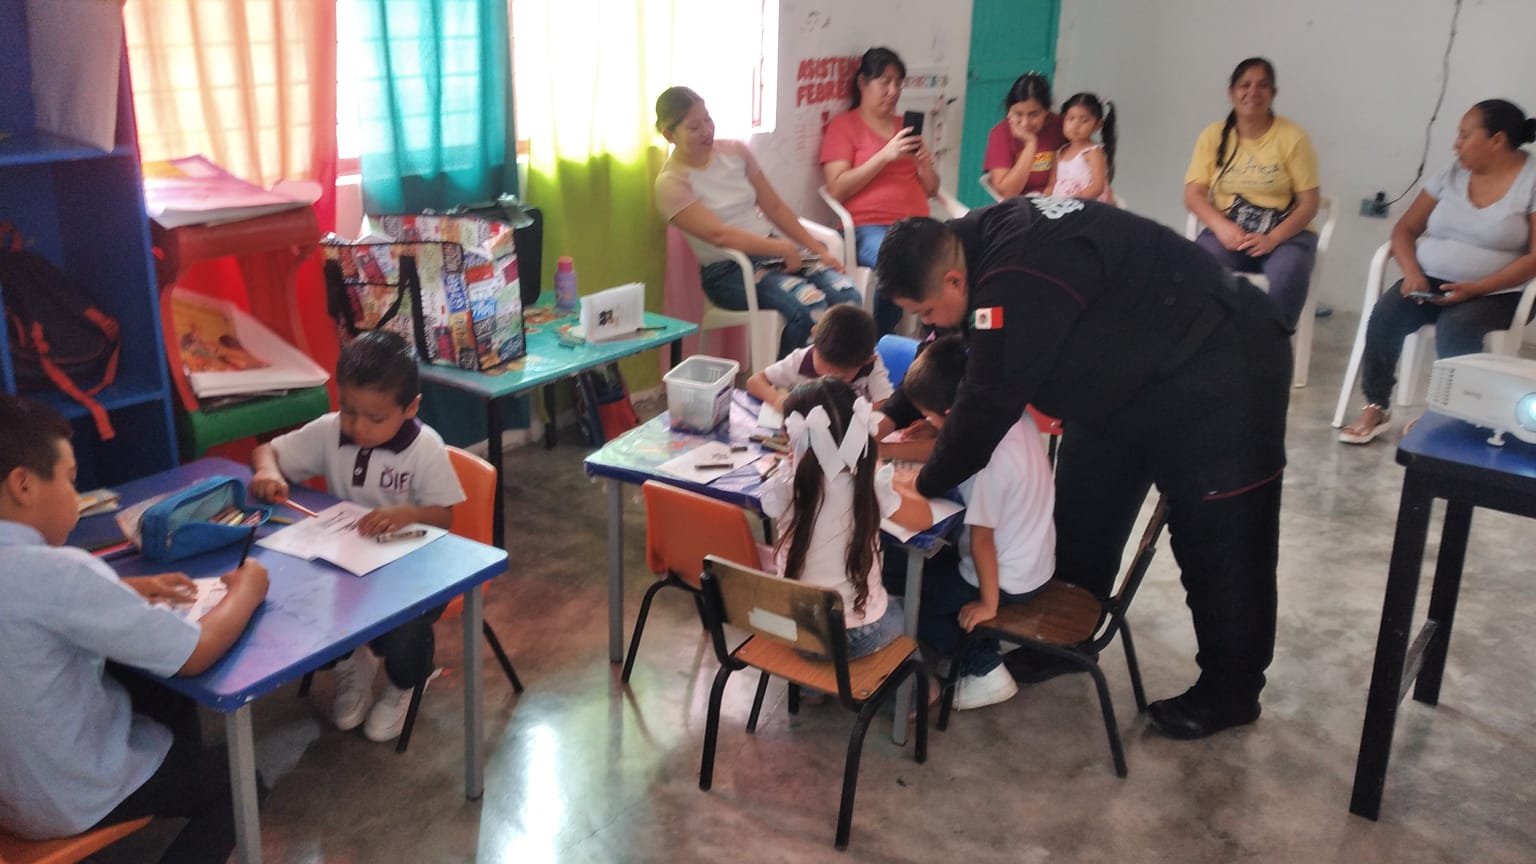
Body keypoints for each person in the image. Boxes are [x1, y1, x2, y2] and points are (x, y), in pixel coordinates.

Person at [875, 196, 1292, 740]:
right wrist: (890, 415)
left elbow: (982, 408)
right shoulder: (961, 247)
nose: (926, 324)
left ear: (954, 281)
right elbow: (946, 348)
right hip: (1126, 377)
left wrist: (921, 483)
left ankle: (1232, 691)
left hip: (1221, 366)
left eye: (926, 311)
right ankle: (1065, 641)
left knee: (1223, 542)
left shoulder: (1012, 279)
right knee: (1081, 512)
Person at [0, 394, 268, 861]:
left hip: (10, 790)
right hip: (65, 797)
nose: (76, 498)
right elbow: (195, 653)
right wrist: (248, 589)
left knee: (145, 681)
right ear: (23, 484)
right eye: (70, 480)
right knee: (240, 784)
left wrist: (123, 589)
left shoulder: (41, 576)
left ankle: (171, 774)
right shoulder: (58, 572)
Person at [250, 331, 465, 743]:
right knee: (296, 602)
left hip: (414, 571)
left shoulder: (425, 448)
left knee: (403, 628)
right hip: (345, 564)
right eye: (349, 411)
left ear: (410, 408)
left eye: (376, 419)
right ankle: (352, 662)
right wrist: (268, 472)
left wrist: (407, 514)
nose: (359, 428)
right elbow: (267, 452)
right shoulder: (332, 431)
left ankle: (407, 681)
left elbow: (445, 516)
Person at [1340, 99, 1536, 444]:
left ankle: (1451, 415)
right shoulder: (1451, 173)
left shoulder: (1530, 181)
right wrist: (1412, 272)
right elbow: (1405, 229)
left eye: (1465, 135)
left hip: (1502, 292)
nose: (1455, 144)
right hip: (1430, 280)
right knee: (1386, 315)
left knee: (1457, 326)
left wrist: (1477, 288)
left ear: (1497, 140)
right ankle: (1376, 405)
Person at [901, 336, 1055, 710]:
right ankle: (975, 639)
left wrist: (988, 604)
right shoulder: (1012, 414)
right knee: (929, 572)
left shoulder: (982, 461)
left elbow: (982, 540)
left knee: (911, 603)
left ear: (950, 413)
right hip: (1035, 562)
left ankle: (983, 667)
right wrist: (938, 429)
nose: (928, 423)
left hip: (1004, 579)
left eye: (930, 417)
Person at [655, 86, 861, 359]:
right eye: (694, 127)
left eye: (708, 119)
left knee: (847, 296)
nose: (706, 131)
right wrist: (783, 249)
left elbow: (774, 207)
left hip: (773, 250)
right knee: (812, 307)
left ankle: (839, 375)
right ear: (669, 135)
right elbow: (720, 235)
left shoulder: (736, 152)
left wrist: (817, 250)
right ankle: (786, 381)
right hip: (728, 270)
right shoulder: (670, 183)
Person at [758, 378, 934, 659]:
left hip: (796, 631)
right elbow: (924, 519)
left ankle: (815, 682)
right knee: (909, 611)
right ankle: (912, 686)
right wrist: (880, 472)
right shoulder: (869, 486)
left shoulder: (785, 483)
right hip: (853, 638)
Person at [1184, 57, 1321, 329]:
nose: (1253, 92)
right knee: (1198, 267)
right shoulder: (1212, 136)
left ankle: (1271, 343)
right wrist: (1221, 227)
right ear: (1231, 92)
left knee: (1289, 273)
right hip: (1230, 233)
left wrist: (1273, 238)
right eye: (1244, 85)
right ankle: (1208, 340)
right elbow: (1193, 195)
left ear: (1273, 93)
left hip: (1285, 236)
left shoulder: (1293, 137)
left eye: (1262, 85)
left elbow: (1309, 204)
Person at [820, 47, 941, 333]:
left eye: (898, 83)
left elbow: (932, 189)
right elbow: (837, 189)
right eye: (885, 82)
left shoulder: (905, 128)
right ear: (863, 83)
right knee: (897, 261)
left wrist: (923, 165)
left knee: (950, 257)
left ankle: (936, 335)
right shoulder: (844, 126)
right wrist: (884, 156)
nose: (893, 91)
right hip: (866, 228)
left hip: (914, 225)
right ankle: (879, 339)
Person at [745, 304, 894, 412]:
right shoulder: (801, 360)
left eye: (841, 377)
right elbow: (755, 381)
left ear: (868, 360)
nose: (829, 379)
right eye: (824, 372)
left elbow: (886, 404)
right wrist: (776, 399)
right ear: (814, 336)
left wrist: (854, 414)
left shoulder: (871, 366)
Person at [983, 73, 1066, 199]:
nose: (1025, 123)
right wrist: (1030, 144)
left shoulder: (1062, 126)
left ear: (1046, 111)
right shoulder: (1000, 134)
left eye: (1033, 115)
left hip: (1059, 201)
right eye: (1018, 114)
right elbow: (1007, 194)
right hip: (1019, 205)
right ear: (1009, 112)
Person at [1046, 92, 1116, 204]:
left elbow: (1098, 187)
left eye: (1084, 121)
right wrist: (1046, 199)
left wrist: (1075, 199)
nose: (1076, 125)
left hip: (1086, 204)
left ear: (1097, 125)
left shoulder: (1093, 152)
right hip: (1060, 205)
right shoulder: (1060, 153)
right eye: (1071, 119)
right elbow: (1051, 184)